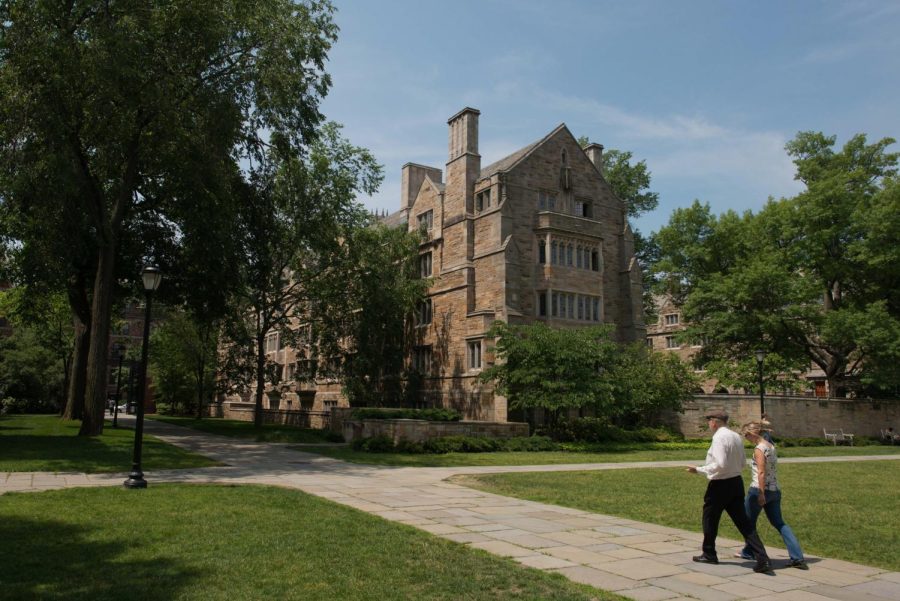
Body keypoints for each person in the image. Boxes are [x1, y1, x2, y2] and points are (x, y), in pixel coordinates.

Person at [686, 410, 772, 573]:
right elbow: (741, 463)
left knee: (710, 518)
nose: (709, 424)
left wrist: (698, 469)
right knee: (743, 522)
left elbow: (720, 464)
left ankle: (709, 553)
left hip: (720, 485)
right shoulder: (735, 436)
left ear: (715, 421)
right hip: (735, 483)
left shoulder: (719, 437)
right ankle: (762, 557)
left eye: (709, 421)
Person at [737, 421, 809, 569]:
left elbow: (761, 473)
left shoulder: (759, 449)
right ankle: (797, 557)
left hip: (758, 490)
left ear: (752, 433)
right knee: (780, 523)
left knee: (746, 523)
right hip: (775, 490)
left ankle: (755, 554)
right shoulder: (771, 446)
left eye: (746, 435)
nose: (746, 438)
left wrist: (761, 494)